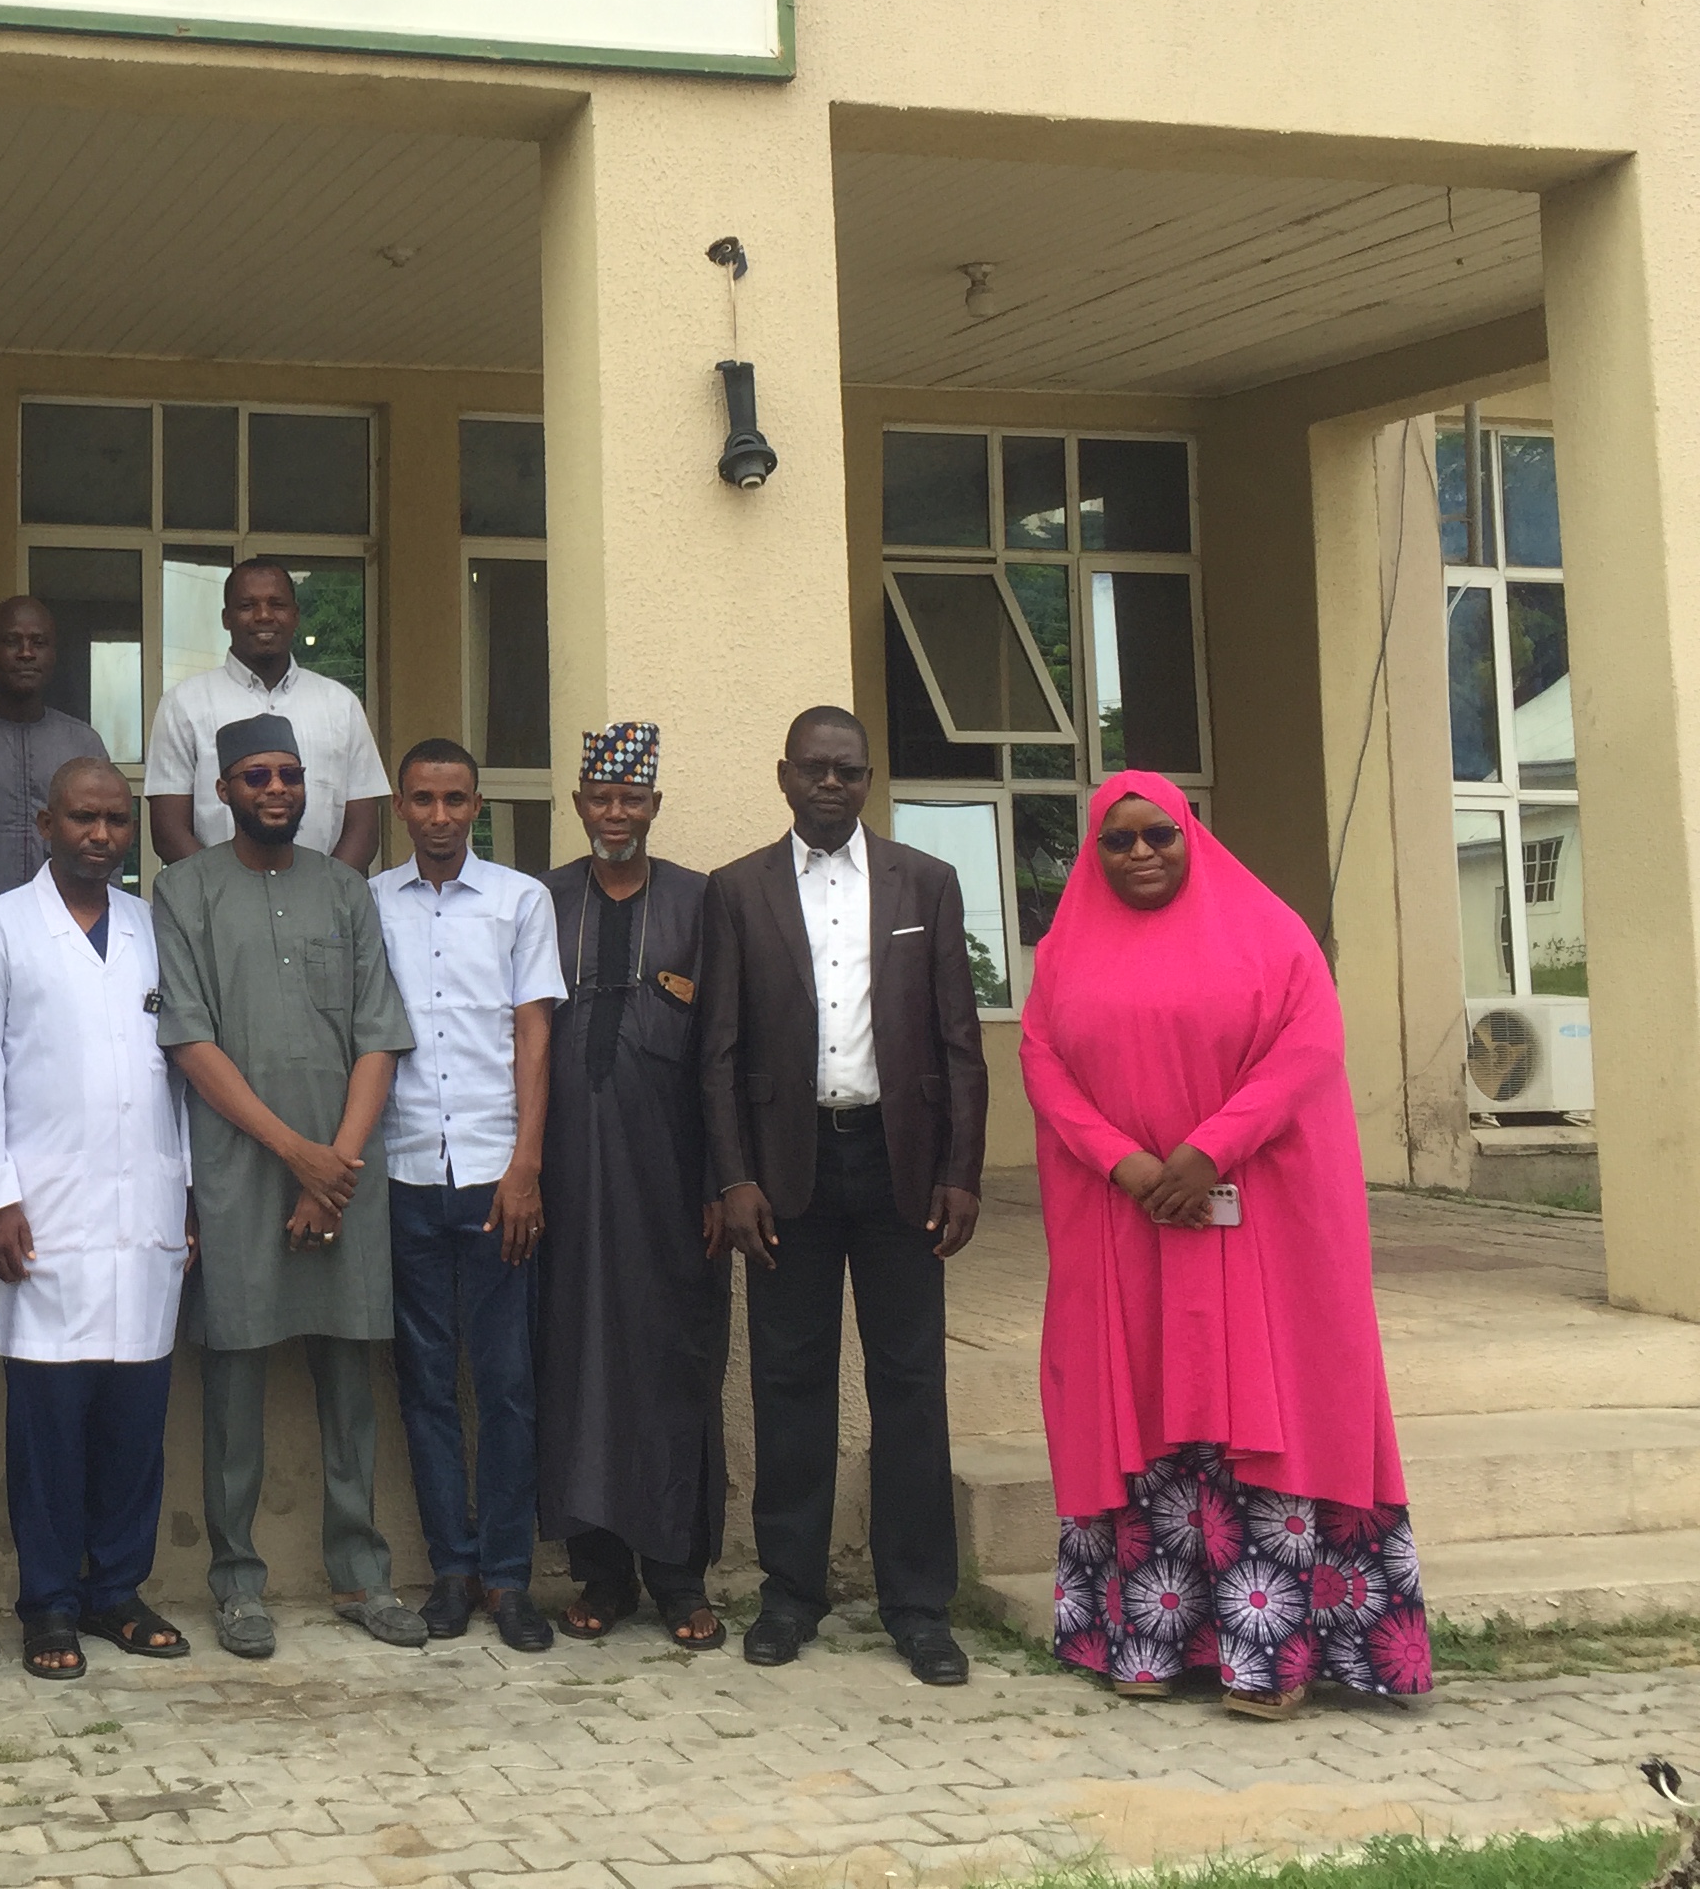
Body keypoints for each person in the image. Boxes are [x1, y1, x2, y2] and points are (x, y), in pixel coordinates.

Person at [1024, 772, 1429, 1718]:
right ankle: (1151, 1645)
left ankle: (1271, 1661)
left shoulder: (1269, 933)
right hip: (1130, 1223)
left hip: (1254, 1220)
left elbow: (1309, 1047)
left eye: (1157, 834)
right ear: (1094, 852)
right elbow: (1042, 1065)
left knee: (1264, 1405)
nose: (1140, 853)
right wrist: (1127, 1164)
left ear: (1190, 834)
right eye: (1117, 840)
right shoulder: (1063, 954)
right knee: (1145, 1409)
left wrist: (1209, 1150)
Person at [699, 705, 986, 1685]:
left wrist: (960, 1172)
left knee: (910, 1385)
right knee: (789, 1384)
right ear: (784, 775)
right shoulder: (737, 890)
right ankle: (790, 1594)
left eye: (849, 770)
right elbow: (718, 1051)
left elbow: (959, 1040)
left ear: (868, 780)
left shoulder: (926, 883)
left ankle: (919, 1606)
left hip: (902, 1169)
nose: (831, 784)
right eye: (815, 768)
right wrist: (734, 1176)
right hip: (788, 1172)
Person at [155, 712, 421, 1657]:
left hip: (346, 1175)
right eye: (258, 776)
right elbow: (190, 1039)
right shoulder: (183, 890)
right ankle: (237, 1585)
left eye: (291, 775)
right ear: (222, 790)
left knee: (349, 1377)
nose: (277, 790)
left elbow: (379, 1035)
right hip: (238, 1173)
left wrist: (332, 1167)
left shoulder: (345, 890)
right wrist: (296, 1156)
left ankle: (362, 1575)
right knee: (233, 1382)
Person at [0, 758, 193, 1682]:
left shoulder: (153, 927)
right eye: (83, 819)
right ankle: (50, 1602)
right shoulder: (0, 927)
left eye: (116, 820)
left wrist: (189, 1195)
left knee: (137, 1416)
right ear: (46, 825)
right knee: (48, 1422)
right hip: (42, 1210)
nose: (101, 835)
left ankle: (118, 1591)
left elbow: (183, 1069)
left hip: (148, 1206)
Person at [537, 724, 733, 1651]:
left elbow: (726, 1050)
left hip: (673, 1189)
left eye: (632, 799)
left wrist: (723, 1179)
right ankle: (602, 1574)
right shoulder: (543, 901)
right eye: (600, 797)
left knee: (672, 1366)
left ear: (655, 805)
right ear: (578, 802)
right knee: (576, 1364)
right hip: (567, 1184)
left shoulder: (701, 903)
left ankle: (680, 1576)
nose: (615, 813)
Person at [369, 738, 564, 1652]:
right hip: (405, 1171)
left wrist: (526, 1166)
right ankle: (451, 1569)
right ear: (401, 807)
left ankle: (509, 1576)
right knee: (424, 1384)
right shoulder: (372, 903)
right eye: (423, 799)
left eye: (455, 799)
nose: (440, 815)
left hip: (494, 1174)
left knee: (507, 1383)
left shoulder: (521, 901)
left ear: (478, 806)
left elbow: (534, 1036)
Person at [146, 560, 390, 871]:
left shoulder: (341, 705)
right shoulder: (184, 704)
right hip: (216, 898)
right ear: (226, 618)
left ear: (296, 615)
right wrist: (224, 890)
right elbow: (168, 831)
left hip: (321, 898)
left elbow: (363, 830)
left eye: (277, 604)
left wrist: (326, 892)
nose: (264, 615)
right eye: (247, 606)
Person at [0, 597, 113, 912]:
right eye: (11, 641)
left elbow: (107, 842)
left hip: (65, 928)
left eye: (39, 643)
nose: (26, 653)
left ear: (53, 653)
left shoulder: (83, 745)